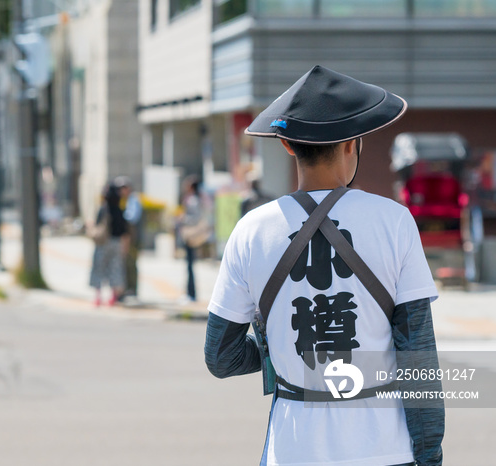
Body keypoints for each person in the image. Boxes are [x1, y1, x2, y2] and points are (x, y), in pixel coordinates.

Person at [204, 66, 444, 465]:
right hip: (384, 449)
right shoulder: (394, 221)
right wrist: (430, 455)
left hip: (293, 451)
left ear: (286, 145)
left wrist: (279, 350)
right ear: (353, 142)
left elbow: (221, 357)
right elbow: (417, 354)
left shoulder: (250, 230)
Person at [89, 183, 128, 306]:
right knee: (115, 269)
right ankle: (113, 297)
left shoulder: (103, 208)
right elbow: (124, 230)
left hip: (103, 242)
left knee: (98, 269)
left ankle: (98, 297)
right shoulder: (119, 209)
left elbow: (96, 224)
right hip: (116, 243)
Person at [178, 175, 209, 303]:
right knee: (190, 265)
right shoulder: (199, 199)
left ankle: (191, 294)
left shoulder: (193, 200)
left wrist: (182, 219)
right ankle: (191, 293)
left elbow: (194, 218)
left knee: (189, 265)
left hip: (190, 235)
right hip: (194, 235)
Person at [115, 176, 142, 300]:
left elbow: (132, 218)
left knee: (131, 262)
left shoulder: (133, 200)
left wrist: (120, 218)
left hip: (132, 238)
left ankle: (132, 289)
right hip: (127, 237)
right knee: (125, 262)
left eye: (122, 188)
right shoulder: (125, 200)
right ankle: (127, 288)